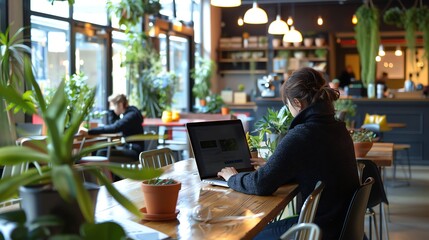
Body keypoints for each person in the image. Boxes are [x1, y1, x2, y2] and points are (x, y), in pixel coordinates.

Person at [218, 67, 360, 240]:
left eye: (288, 105)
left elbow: (261, 184)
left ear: (297, 102)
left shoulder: (302, 134)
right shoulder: (337, 128)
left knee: (247, 235)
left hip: (318, 230)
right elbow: (315, 166)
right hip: (340, 226)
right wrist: (275, 166)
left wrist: (232, 178)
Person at [79, 94, 144, 162]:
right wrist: (113, 113)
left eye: (113, 106)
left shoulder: (131, 116)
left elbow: (114, 128)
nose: (112, 109)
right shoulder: (129, 114)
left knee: (102, 152)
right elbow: (114, 126)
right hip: (128, 147)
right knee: (99, 148)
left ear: (120, 104)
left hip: (134, 151)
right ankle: (108, 172)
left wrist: (89, 131)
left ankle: (106, 173)